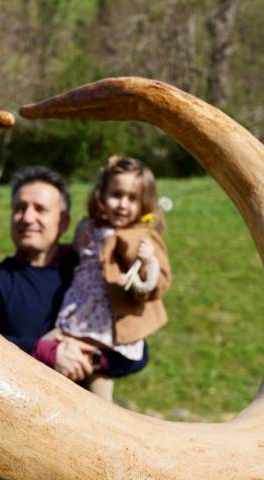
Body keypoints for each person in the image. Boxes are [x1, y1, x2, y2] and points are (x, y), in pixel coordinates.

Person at [0, 166, 148, 384]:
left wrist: (90, 359)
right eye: (20, 208)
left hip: (79, 414)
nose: (28, 217)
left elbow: (138, 352)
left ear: (64, 222)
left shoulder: (89, 273)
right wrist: (47, 353)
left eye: (40, 209)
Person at [53, 156, 171, 401]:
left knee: (98, 387)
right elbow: (78, 254)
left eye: (132, 198)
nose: (122, 205)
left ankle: (101, 425)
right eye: (116, 194)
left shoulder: (142, 237)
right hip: (79, 313)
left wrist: (147, 263)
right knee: (58, 360)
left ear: (144, 203)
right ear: (101, 195)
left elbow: (155, 286)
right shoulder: (89, 228)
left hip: (110, 325)